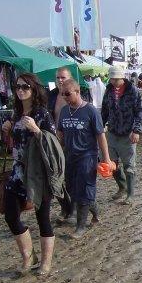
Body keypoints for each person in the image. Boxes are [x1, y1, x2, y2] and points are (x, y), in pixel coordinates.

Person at [1, 73, 57, 274]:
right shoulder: (15, 113)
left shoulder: (42, 114)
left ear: (34, 89)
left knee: (43, 218)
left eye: (25, 87)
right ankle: (28, 257)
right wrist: (6, 130)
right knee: (10, 215)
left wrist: (37, 130)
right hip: (17, 173)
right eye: (17, 87)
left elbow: (52, 144)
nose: (21, 90)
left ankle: (46, 263)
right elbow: (14, 145)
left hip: (38, 174)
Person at [57, 79, 112, 238]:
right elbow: (60, 133)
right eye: (62, 94)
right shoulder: (64, 111)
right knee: (73, 190)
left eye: (67, 94)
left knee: (84, 189)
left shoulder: (90, 111)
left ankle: (80, 227)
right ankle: (94, 210)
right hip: (69, 157)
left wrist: (106, 158)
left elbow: (100, 136)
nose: (65, 97)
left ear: (77, 91)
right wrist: (57, 150)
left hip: (87, 157)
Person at [101, 65, 142, 205]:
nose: (113, 81)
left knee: (129, 165)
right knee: (111, 163)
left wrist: (136, 130)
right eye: (112, 79)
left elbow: (140, 111)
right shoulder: (108, 90)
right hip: (113, 131)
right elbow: (104, 110)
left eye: (116, 79)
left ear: (122, 77)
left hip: (128, 133)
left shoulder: (133, 91)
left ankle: (130, 194)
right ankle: (122, 186)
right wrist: (99, 126)